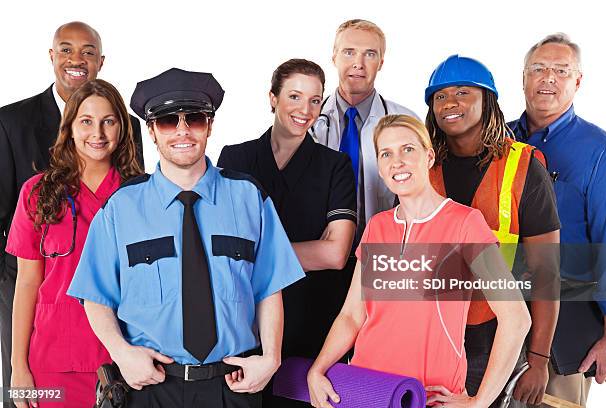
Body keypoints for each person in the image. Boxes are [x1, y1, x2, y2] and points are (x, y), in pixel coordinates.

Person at [67, 68, 304, 408]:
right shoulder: (121, 206)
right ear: (151, 131)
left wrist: (271, 357)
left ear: (209, 125)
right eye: (167, 121)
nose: (182, 131)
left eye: (194, 118)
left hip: (232, 386)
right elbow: (96, 294)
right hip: (151, 386)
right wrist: (121, 354)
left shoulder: (248, 197)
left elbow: (269, 286)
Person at [307, 114, 531, 408]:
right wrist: (317, 369)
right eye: (386, 153)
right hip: (369, 390)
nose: (396, 161)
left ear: (428, 156)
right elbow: (351, 316)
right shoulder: (378, 227)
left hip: (428, 397)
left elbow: (516, 319)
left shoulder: (465, 223)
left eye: (407, 149)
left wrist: (479, 402)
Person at [0, 22, 144, 397]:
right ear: (70, 127)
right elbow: (27, 283)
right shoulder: (37, 193)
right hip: (52, 359)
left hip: (127, 358)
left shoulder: (140, 195)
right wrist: (18, 368)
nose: (97, 133)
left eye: (108, 121)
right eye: (86, 121)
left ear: (123, 129)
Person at [217, 59, 356, 407]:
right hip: (246, 325)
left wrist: (252, 256)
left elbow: (336, 254)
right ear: (272, 98)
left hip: (315, 322)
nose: (304, 109)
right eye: (294, 96)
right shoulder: (235, 159)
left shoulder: (334, 165)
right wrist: (312, 249)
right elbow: (216, 247)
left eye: (314, 100)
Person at [424, 55, 561, 407]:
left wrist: (539, 360)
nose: (450, 102)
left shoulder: (523, 167)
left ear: (488, 100)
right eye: (440, 96)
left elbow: (547, 272)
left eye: (463, 92)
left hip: (497, 335)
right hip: (434, 334)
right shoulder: (422, 167)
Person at [508, 33, 606, 406]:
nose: (548, 78)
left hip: (569, 326)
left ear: (578, 81)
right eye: (538, 69)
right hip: (497, 316)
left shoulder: (601, 150)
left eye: (561, 70)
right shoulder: (497, 140)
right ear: (523, 78)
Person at [310, 19, 418, 245]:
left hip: (386, 253)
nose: (358, 63)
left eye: (369, 54)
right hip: (318, 254)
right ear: (334, 57)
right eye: (349, 52)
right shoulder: (307, 120)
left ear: (381, 62)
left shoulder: (408, 123)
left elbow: (421, 195)